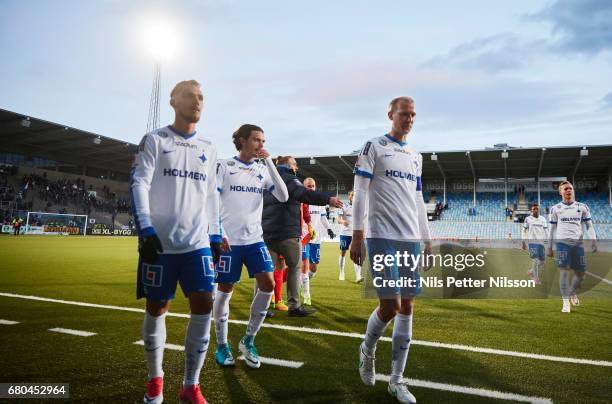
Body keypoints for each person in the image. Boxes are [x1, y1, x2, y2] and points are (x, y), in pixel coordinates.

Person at [131, 80, 221, 404]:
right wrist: (146, 228)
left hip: (196, 242)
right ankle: (155, 380)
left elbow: (212, 194)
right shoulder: (155, 139)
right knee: (157, 307)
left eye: (201, 97)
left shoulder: (209, 148)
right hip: (161, 242)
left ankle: (190, 386)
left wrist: (215, 232)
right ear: (173, 100)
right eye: (190, 96)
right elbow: (140, 182)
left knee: (204, 304)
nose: (197, 102)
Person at [350, 96, 431, 404]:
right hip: (381, 235)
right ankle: (367, 349)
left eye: (412, 114)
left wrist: (427, 240)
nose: (409, 118)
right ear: (390, 115)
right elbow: (359, 191)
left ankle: (397, 380)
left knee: (408, 307)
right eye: (403, 114)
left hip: (410, 239)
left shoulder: (415, 155)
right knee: (391, 306)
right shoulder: (373, 146)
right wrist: (358, 235)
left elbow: (419, 202)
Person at [212, 124, 289, 369]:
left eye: (263, 140)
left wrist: (271, 165)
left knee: (268, 285)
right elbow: (211, 200)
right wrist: (219, 231)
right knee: (224, 291)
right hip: (229, 242)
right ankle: (222, 345)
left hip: (255, 240)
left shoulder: (262, 170)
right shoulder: (225, 166)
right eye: (256, 140)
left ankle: (248, 339)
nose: (261, 144)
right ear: (242, 140)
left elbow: (284, 196)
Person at [262, 156, 343, 316]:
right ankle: (294, 306)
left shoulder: (266, 178)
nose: (296, 168)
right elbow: (303, 193)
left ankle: (261, 307)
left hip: (267, 233)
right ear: (287, 165)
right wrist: (328, 199)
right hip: (287, 233)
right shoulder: (289, 178)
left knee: (265, 270)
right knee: (294, 267)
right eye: (294, 164)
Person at [547, 181, 597, 313]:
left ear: (573, 190)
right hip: (562, 244)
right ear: (561, 192)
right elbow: (551, 229)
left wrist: (593, 239)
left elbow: (589, 226)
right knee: (564, 271)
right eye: (565, 189)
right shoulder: (555, 208)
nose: (568, 191)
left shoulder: (582, 207)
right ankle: (565, 303)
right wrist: (549, 246)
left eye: (570, 188)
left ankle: (572, 292)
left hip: (578, 244)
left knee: (581, 274)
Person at [301, 178, 335, 305]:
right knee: (304, 266)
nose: (311, 188)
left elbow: (323, 218)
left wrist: (330, 229)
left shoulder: (319, 202)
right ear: (304, 187)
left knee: (313, 268)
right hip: (304, 238)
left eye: (313, 186)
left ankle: (302, 282)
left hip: (316, 238)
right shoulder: (301, 201)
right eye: (308, 186)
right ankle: (306, 294)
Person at [337, 190, 362, 282]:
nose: (353, 196)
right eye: (352, 195)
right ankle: (341, 272)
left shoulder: (360, 207)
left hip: (355, 234)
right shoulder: (343, 206)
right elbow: (338, 220)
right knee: (343, 253)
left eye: (355, 195)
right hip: (344, 233)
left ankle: (358, 276)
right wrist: (343, 221)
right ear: (349, 197)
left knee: (356, 254)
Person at [521, 203, 548, 284]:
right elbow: (524, 230)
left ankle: (531, 271)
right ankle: (536, 279)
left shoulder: (543, 219)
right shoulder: (528, 219)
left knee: (542, 261)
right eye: (533, 209)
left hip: (541, 243)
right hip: (532, 242)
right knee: (535, 260)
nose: (535, 210)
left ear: (539, 210)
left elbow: (546, 230)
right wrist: (523, 242)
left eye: (536, 209)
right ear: (531, 210)